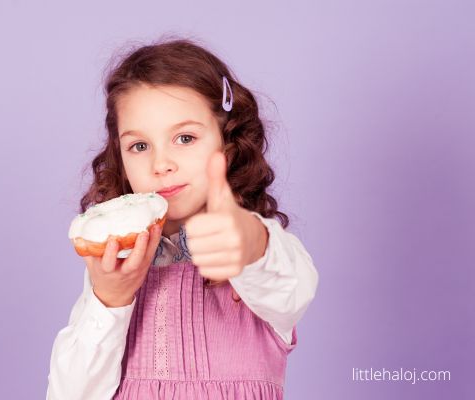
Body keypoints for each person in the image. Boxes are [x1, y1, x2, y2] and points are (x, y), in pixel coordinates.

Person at [46, 37, 319, 400]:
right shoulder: (115, 272)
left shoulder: (260, 255)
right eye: (140, 146)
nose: (161, 164)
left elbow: (292, 286)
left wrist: (248, 241)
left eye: (185, 138)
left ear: (228, 141)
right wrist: (109, 300)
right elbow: (71, 393)